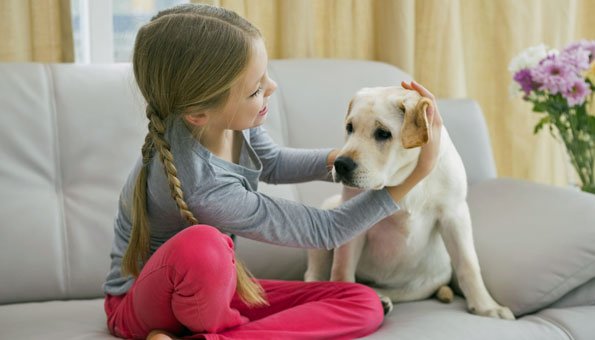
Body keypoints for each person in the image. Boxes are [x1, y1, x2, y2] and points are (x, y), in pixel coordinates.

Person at [102, 3, 443, 340]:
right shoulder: (202, 186)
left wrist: (352, 161)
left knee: (362, 301)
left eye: (265, 76)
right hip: (140, 308)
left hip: (213, 295)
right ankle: (207, 332)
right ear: (197, 113)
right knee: (204, 246)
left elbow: (274, 163)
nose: (271, 88)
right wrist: (417, 172)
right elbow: (327, 229)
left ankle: (211, 336)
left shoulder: (229, 120)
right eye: (255, 89)